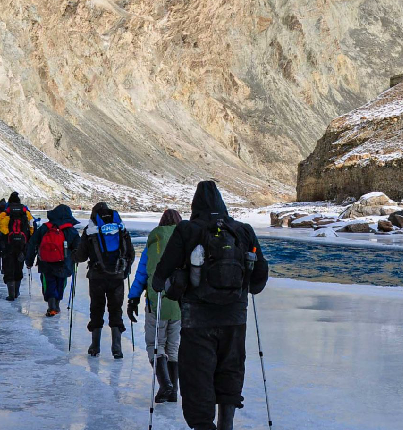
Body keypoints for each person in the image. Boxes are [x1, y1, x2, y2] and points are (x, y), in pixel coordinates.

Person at [152, 181, 269, 430]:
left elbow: (161, 274)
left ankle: (204, 426)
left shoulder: (187, 230)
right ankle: (226, 424)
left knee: (198, 377)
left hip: (197, 319)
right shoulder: (243, 230)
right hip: (235, 318)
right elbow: (259, 278)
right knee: (230, 370)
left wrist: (167, 284)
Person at [129, 208, 183, 402]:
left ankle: (165, 386)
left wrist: (133, 298)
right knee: (173, 347)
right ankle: (173, 391)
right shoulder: (185, 239)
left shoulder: (154, 240)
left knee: (155, 344)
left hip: (157, 299)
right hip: (180, 302)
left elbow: (142, 273)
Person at [74, 202, 134, 358]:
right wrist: (125, 270)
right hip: (117, 276)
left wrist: (73, 254)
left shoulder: (90, 231)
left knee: (97, 308)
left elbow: (81, 256)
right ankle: (117, 347)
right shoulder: (120, 229)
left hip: (97, 277)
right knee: (116, 309)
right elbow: (131, 254)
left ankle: (95, 346)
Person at [25, 204, 79, 317]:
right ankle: (56, 304)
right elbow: (78, 248)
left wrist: (29, 261)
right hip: (64, 262)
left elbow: (32, 244)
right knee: (60, 282)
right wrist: (76, 259)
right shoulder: (71, 230)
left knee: (48, 282)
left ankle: (51, 305)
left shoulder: (45, 228)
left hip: (45, 262)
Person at [0, 192, 33, 301]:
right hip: (22, 245)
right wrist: (28, 239)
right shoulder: (25, 212)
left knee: (9, 267)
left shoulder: (6, 212)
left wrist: (1, 237)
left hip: (8, 244)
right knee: (19, 267)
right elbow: (32, 226)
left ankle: (11, 294)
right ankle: (17, 292)